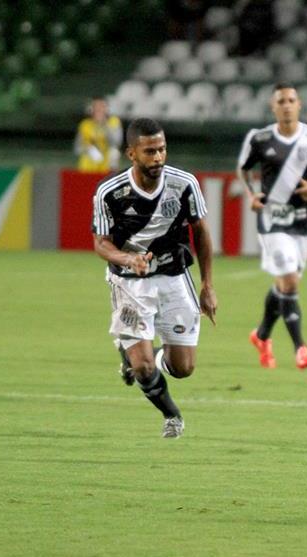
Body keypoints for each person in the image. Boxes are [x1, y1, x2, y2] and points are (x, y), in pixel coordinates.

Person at [92, 118, 217, 438]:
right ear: (131, 154)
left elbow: (201, 232)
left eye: (162, 149)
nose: (158, 157)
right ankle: (171, 415)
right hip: (128, 283)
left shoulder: (184, 183)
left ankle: (138, 352)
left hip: (175, 277)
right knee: (144, 367)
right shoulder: (110, 192)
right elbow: (101, 244)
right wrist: (127, 259)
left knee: (183, 368)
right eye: (150, 151)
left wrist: (207, 285)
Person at [237, 83, 307, 370]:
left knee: (285, 284)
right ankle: (300, 348)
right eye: (281, 101)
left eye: (291, 100)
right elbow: (243, 169)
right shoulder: (260, 138)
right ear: (273, 106)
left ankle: (261, 335)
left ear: (299, 104)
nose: (286, 105)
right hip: (271, 219)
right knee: (290, 281)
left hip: (302, 220)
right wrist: (250, 195)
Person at [75, 97, 123, 173]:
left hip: (107, 157)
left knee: (114, 153)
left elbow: (116, 142)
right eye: (96, 107)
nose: (99, 110)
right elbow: (77, 148)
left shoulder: (113, 122)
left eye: (102, 107)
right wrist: (89, 149)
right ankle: (86, 177)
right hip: (91, 158)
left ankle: (111, 177)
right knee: (89, 156)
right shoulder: (85, 125)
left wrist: (104, 124)